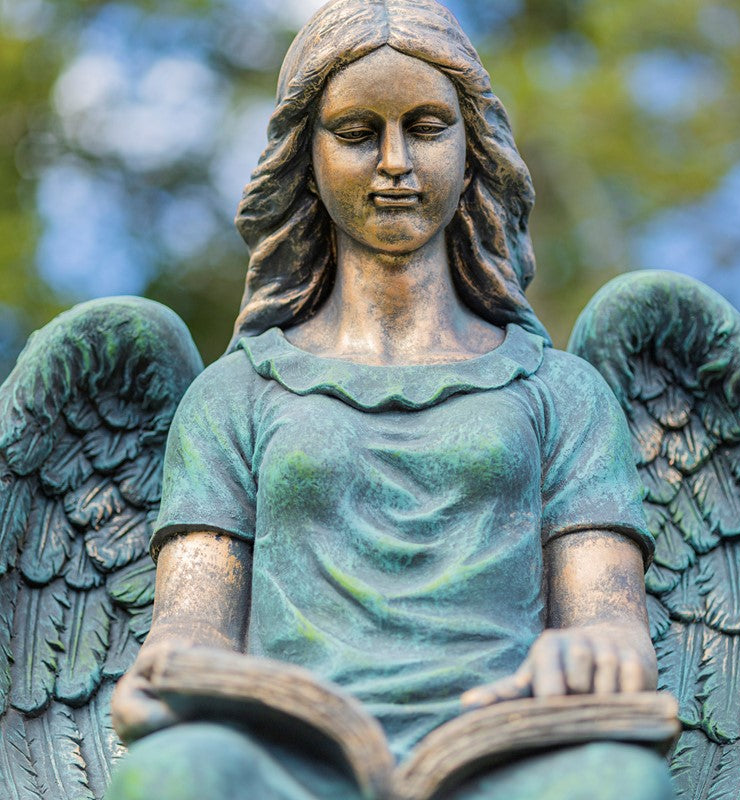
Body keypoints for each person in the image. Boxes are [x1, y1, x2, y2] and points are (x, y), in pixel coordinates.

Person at [108, 1, 675, 797]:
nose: (396, 161)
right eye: (357, 132)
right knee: (175, 771)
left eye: (429, 126)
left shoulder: (562, 395)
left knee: (621, 782)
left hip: (510, 759)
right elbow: (191, 627)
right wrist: (161, 675)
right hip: (288, 765)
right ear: (304, 157)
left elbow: (614, 623)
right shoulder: (235, 396)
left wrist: (594, 652)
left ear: (473, 149)